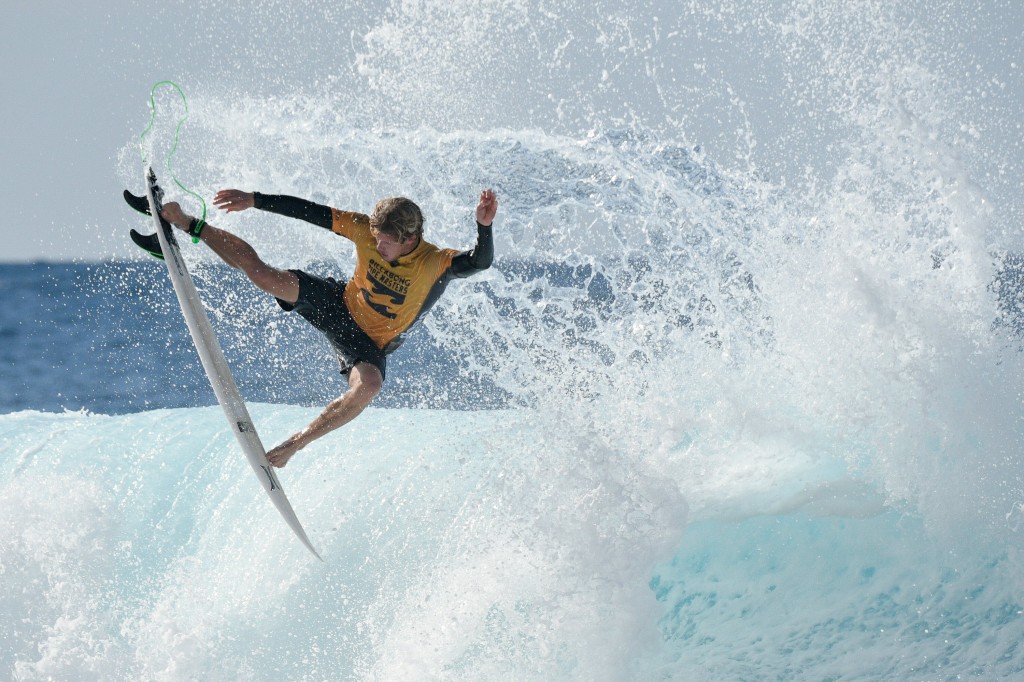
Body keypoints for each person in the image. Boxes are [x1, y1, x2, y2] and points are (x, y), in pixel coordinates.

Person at [159, 186, 497, 467]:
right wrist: (255, 200)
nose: (377, 247)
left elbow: (480, 261)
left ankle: (294, 445)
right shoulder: (365, 228)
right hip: (339, 303)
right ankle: (190, 224)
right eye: (376, 238)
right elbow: (309, 211)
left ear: (410, 239)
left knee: (369, 386)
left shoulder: (436, 262)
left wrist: (484, 227)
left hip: (369, 342)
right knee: (263, 275)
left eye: (386, 243)